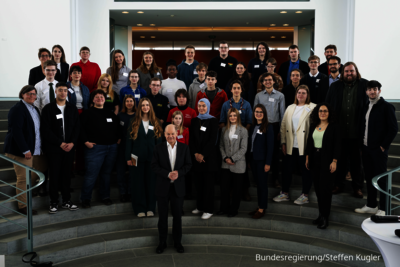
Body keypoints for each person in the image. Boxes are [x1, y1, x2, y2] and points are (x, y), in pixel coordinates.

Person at [325, 62, 368, 198]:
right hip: (340, 132)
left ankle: (357, 187)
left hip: (357, 132)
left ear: (356, 71)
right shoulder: (335, 86)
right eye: (347, 71)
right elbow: (328, 106)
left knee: (356, 163)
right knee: (340, 161)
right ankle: (338, 185)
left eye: (352, 71)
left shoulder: (364, 85)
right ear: (342, 72)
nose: (349, 74)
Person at [355, 81, 398, 216]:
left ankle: (384, 208)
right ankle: (371, 205)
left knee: (381, 179)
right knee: (369, 177)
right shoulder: (366, 106)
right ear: (366, 91)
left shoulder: (387, 107)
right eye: (369, 89)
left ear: (379, 91)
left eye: (375, 89)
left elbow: (393, 129)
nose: (372, 91)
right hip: (366, 148)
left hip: (378, 150)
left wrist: (383, 146)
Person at [4, 85, 48, 215]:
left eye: (34, 94)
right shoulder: (17, 109)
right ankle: (23, 206)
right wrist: (25, 149)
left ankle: (26, 189)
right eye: (28, 94)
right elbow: (16, 131)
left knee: (42, 167)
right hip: (21, 150)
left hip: (36, 148)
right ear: (22, 94)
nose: (32, 96)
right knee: (24, 179)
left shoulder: (35, 109)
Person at [152, 124, 192, 254]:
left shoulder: (185, 148)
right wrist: (167, 174)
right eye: (168, 134)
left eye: (172, 134)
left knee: (177, 217)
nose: (170, 136)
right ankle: (162, 242)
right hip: (162, 187)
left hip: (178, 188)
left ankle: (177, 242)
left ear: (176, 133)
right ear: (164, 134)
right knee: (162, 217)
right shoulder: (158, 148)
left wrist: (179, 173)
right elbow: (154, 166)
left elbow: (188, 165)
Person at [40, 82, 80, 214]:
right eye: (60, 90)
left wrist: (72, 143)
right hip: (54, 149)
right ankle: (54, 202)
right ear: (56, 92)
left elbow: (76, 128)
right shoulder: (48, 109)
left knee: (66, 175)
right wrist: (59, 143)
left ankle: (66, 201)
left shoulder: (72, 108)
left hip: (69, 148)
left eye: (65, 90)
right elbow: (45, 130)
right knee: (55, 175)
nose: (63, 92)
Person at [273, 85, 316, 205]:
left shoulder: (313, 107)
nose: (301, 95)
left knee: (305, 170)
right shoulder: (290, 107)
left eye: (303, 93)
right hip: (290, 144)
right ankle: (284, 193)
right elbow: (283, 126)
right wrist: (283, 142)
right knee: (286, 170)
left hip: (304, 144)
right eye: (299, 92)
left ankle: (305, 195)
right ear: (296, 94)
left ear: (307, 95)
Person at [80, 89, 121, 208]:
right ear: (93, 100)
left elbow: (117, 127)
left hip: (112, 148)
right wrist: (85, 142)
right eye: (97, 97)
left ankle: (105, 196)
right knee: (91, 174)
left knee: (106, 174)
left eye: (102, 97)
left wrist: (118, 138)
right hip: (95, 149)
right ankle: (86, 199)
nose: (99, 99)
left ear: (105, 99)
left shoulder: (110, 112)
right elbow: (80, 129)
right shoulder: (87, 113)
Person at [305, 103, 340, 229]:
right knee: (318, 190)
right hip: (315, 160)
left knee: (325, 191)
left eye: (325, 111)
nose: (323, 113)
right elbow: (310, 142)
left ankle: (325, 218)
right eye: (320, 111)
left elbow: (337, 145)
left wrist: (335, 161)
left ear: (329, 112)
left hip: (328, 161)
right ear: (317, 112)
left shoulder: (334, 127)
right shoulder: (315, 125)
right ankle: (320, 215)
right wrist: (308, 157)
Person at [126, 98, 163, 217]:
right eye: (143, 105)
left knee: (151, 184)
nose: (145, 107)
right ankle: (139, 208)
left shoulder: (156, 121)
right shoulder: (133, 121)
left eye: (147, 105)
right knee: (138, 184)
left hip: (152, 159)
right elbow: (128, 142)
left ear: (150, 107)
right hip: (136, 158)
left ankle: (150, 208)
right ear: (140, 107)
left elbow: (159, 143)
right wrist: (128, 158)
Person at [254, 73, 285, 188]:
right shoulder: (258, 96)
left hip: (275, 126)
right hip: (262, 126)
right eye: (265, 80)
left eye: (270, 80)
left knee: (275, 154)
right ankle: (261, 178)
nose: (268, 82)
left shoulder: (280, 96)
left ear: (273, 82)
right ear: (262, 83)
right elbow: (255, 112)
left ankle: (275, 179)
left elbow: (282, 114)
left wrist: (280, 131)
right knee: (262, 152)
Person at [189, 98, 219, 219]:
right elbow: (191, 140)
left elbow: (213, 141)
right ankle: (200, 206)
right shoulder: (195, 120)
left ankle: (209, 209)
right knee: (199, 184)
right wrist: (196, 153)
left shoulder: (213, 121)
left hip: (208, 159)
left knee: (208, 186)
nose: (201, 108)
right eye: (199, 106)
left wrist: (203, 154)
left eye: (204, 106)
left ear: (208, 107)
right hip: (197, 159)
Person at [219, 108, 248, 217]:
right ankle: (224, 208)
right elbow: (221, 145)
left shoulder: (243, 130)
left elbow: (244, 148)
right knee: (224, 188)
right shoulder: (223, 130)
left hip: (238, 164)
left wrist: (233, 158)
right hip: (225, 164)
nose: (232, 117)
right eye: (230, 116)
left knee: (237, 190)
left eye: (234, 115)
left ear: (238, 117)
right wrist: (225, 157)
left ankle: (233, 210)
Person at [248, 104, 274, 219]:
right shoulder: (253, 127)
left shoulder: (268, 127)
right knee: (258, 184)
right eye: (256, 112)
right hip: (253, 160)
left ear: (264, 114)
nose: (258, 114)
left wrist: (268, 163)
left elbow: (270, 146)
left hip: (262, 161)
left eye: (261, 112)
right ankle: (259, 206)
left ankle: (262, 209)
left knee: (262, 185)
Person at [116, 95, 136, 203]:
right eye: (127, 101)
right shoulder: (120, 115)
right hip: (122, 147)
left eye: (131, 101)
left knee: (132, 172)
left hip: (134, 147)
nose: (129, 103)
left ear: (134, 103)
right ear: (124, 103)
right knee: (121, 171)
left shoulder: (138, 116)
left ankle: (130, 192)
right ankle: (123, 193)